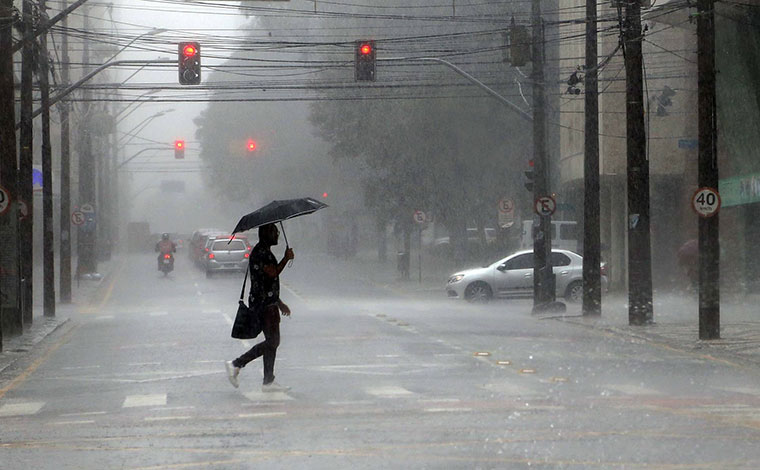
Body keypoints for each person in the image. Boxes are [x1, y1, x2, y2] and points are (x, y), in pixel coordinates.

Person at [226, 223, 295, 391]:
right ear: (265, 234)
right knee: (273, 341)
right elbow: (272, 273)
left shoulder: (264, 251)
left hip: (268, 303)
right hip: (263, 305)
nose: (277, 234)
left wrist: (279, 303)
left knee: (273, 342)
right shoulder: (260, 253)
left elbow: (268, 282)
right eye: (274, 232)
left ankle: (268, 381)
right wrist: (286, 258)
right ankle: (236, 364)